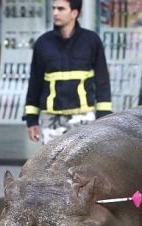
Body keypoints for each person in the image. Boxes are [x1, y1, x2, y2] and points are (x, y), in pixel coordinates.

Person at [23, 0, 112, 144]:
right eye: (53, 8)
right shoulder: (43, 43)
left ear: (74, 13)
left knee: (85, 165)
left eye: (61, 9)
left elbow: (102, 82)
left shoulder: (91, 41)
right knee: (51, 166)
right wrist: (31, 119)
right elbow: (35, 83)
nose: (55, 13)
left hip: (84, 118)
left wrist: (104, 118)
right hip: (51, 119)